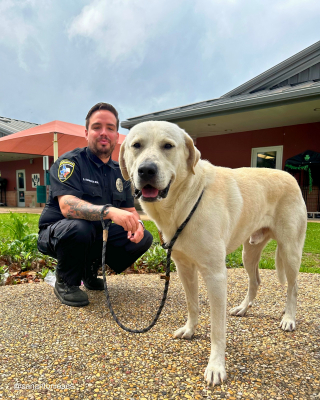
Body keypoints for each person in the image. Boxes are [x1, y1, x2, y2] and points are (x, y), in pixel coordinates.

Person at [37, 102, 153, 307]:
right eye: (97, 127)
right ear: (86, 133)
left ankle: (89, 270)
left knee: (144, 237)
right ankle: (65, 281)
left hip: (96, 234)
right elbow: (68, 207)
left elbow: (130, 211)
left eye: (110, 128)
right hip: (59, 232)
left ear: (117, 136)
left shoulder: (121, 172)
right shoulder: (70, 163)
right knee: (81, 228)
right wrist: (109, 211)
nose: (104, 133)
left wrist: (137, 226)